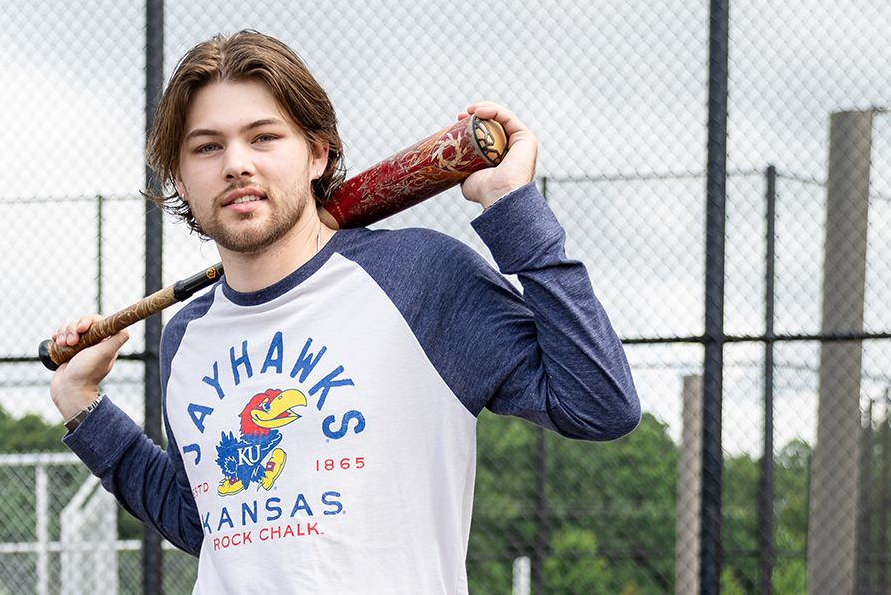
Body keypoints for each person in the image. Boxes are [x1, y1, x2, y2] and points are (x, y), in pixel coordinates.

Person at [49, 30, 639, 593]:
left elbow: (599, 404)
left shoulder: (421, 278)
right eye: (208, 146)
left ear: (316, 153)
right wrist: (85, 407)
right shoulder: (187, 336)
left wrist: (512, 209)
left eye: (263, 137)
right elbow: (209, 525)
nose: (236, 164)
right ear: (180, 176)